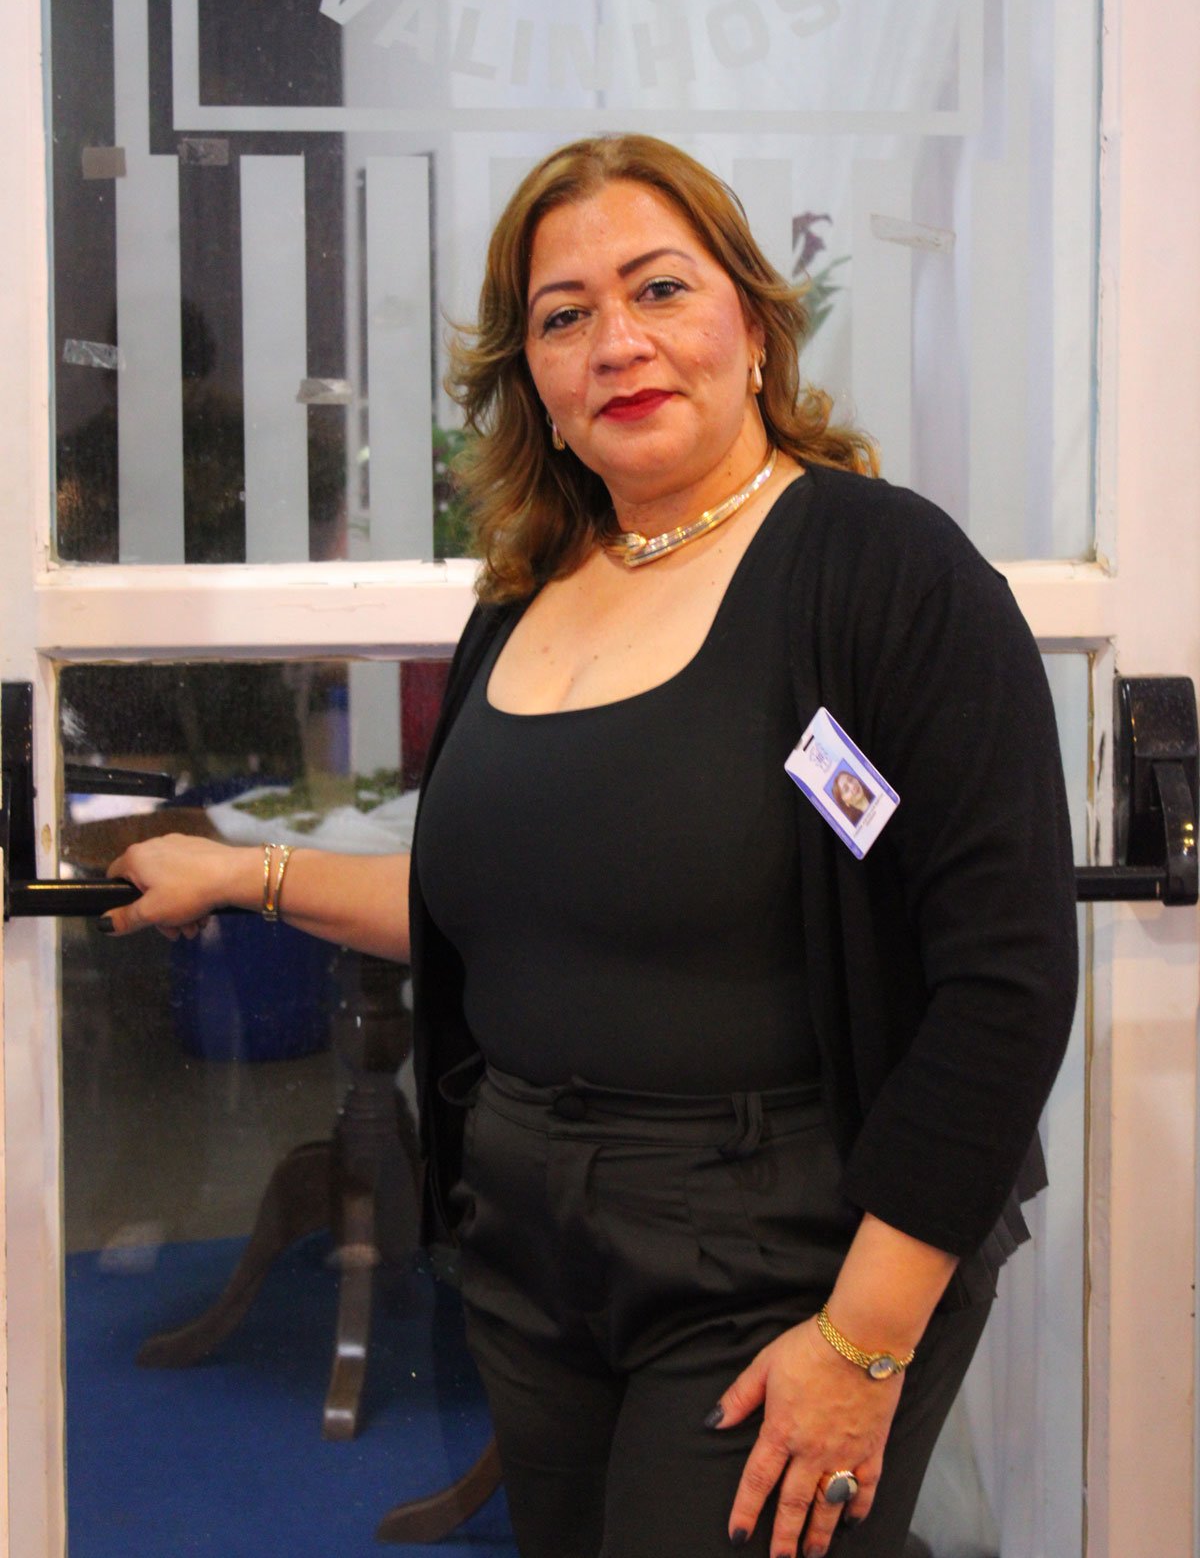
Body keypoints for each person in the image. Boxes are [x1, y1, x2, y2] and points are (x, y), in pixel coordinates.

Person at [105, 135, 1079, 1558]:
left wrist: (865, 1342)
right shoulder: (525, 598)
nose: (617, 343)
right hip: (531, 1247)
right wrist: (243, 874)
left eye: (659, 289)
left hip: (786, 1248)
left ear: (754, 325)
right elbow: (493, 906)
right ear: (537, 387)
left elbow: (1007, 981)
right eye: (565, 317)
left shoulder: (885, 573)